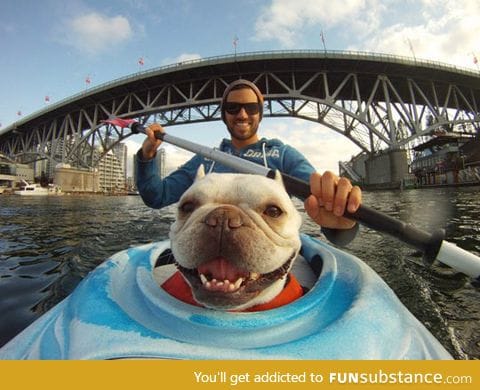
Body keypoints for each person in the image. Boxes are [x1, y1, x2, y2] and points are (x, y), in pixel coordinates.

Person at [135, 79, 362, 245]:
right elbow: (156, 196)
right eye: (232, 108)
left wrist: (339, 224)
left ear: (260, 114)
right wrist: (147, 156)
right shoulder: (204, 159)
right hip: (205, 250)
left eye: (251, 108)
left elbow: (325, 211)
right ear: (224, 115)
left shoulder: (282, 155)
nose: (242, 114)